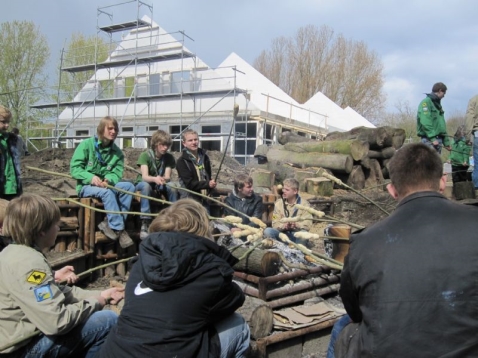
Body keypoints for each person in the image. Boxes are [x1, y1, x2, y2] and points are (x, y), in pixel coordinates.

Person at [328, 143, 478, 357]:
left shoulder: (365, 242)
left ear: (392, 190)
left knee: (343, 329)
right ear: (443, 181)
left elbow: (354, 311)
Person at [99, 198, 250, 358]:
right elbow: (235, 298)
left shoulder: (140, 264)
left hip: (116, 352)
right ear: (203, 229)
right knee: (238, 325)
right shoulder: (211, 271)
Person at [0, 193, 124, 357]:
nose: (58, 229)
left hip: (14, 340)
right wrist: (94, 303)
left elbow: (56, 291)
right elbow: (56, 322)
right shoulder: (30, 265)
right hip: (21, 349)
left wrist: (102, 295)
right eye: (56, 225)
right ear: (42, 231)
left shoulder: (14, 253)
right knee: (107, 320)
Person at [70, 116, 134, 248]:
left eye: (115, 129)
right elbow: (75, 169)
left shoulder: (117, 152)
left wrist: (109, 179)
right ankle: (119, 230)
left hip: (105, 185)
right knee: (107, 193)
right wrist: (90, 178)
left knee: (128, 187)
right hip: (86, 186)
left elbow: (116, 172)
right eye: (110, 128)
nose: (113, 131)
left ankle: (109, 223)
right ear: (101, 129)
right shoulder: (86, 145)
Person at [135, 130, 177, 239]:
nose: (165, 148)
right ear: (156, 144)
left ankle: (174, 216)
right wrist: (155, 179)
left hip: (159, 182)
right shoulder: (145, 156)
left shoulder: (169, 158)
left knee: (172, 186)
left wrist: (163, 179)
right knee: (146, 186)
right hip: (145, 182)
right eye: (162, 145)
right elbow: (145, 176)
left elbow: (168, 176)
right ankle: (145, 221)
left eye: (167, 145)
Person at [263, 178, 312, 244]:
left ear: (295, 191)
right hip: (283, 234)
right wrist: (283, 226)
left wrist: (297, 225)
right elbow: (275, 223)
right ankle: (278, 248)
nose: (283, 191)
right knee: (268, 231)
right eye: (283, 189)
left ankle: (298, 251)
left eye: (287, 190)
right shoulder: (278, 204)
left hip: (296, 235)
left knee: (304, 234)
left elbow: (308, 223)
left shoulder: (304, 204)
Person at [176, 129, 217, 208]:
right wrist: (207, 184)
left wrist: (211, 183)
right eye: (190, 140)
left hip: (205, 199)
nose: (194, 142)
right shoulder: (181, 162)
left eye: (195, 139)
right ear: (184, 143)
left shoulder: (205, 157)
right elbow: (189, 184)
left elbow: (208, 175)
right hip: (190, 201)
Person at [416, 82, 451, 153]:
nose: (444, 96)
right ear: (440, 90)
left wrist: (446, 142)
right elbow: (425, 121)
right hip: (429, 141)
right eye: (444, 93)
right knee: (428, 163)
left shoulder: (438, 105)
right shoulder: (426, 103)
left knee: (436, 163)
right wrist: (432, 138)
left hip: (438, 140)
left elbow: (441, 126)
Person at [0, 105, 22, 200]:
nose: (7, 125)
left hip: (11, 187)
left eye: (8, 122)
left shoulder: (12, 139)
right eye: (3, 122)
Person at [465, 94, 478, 187]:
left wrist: (467, 136)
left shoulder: (474, 100)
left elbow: (469, 118)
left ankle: (477, 189)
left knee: (477, 165)